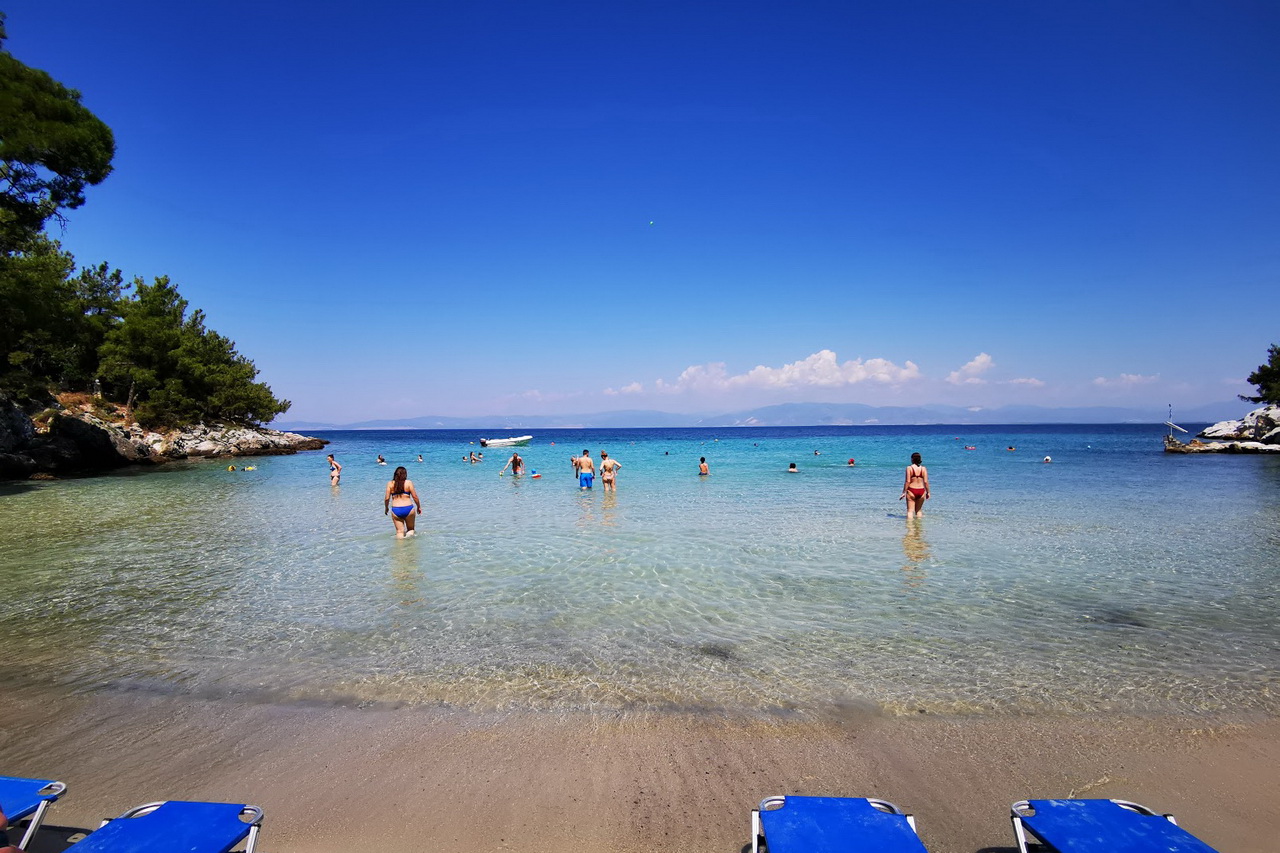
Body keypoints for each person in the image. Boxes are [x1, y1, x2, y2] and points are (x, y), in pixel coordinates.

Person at [383, 466, 422, 538]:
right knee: (410, 529)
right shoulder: (409, 483)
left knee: (399, 532)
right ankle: (410, 546)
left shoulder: (390, 484)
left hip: (396, 510)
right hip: (408, 508)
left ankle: (400, 548)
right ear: (405, 474)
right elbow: (415, 497)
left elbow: (387, 498)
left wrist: (386, 508)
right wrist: (418, 507)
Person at [900, 452, 930, 518]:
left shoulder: (909, 468)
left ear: (912, 459)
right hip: (921, 491)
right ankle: (919, 527)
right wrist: (928, 492)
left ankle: (910, 527)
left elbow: (907, 481)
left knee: (910, 511)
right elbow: (926, 482)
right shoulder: (923, 468)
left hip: (911, 490)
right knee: (919, 511)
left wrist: (903, 492)